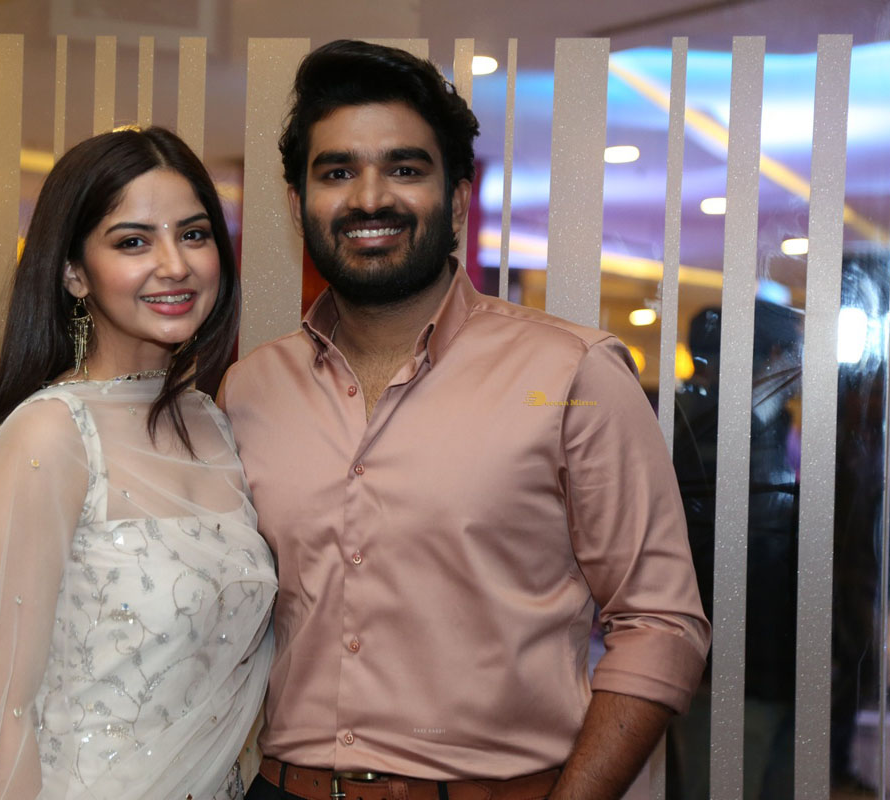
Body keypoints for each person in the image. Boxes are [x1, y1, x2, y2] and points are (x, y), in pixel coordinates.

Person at [218, 40, 711, 800]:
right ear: (297, 205)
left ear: (455, 200)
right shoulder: (250, 390)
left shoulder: (572, 374)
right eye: (337, 172)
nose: (369, 198)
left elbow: (661, 624)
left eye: (405, 169)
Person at [0, 127, 277, 800]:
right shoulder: (50, 436)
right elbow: (2, 715)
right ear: (74, 272)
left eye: (194, 234)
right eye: (133, 242)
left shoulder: (214, 423)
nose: (174, 265)